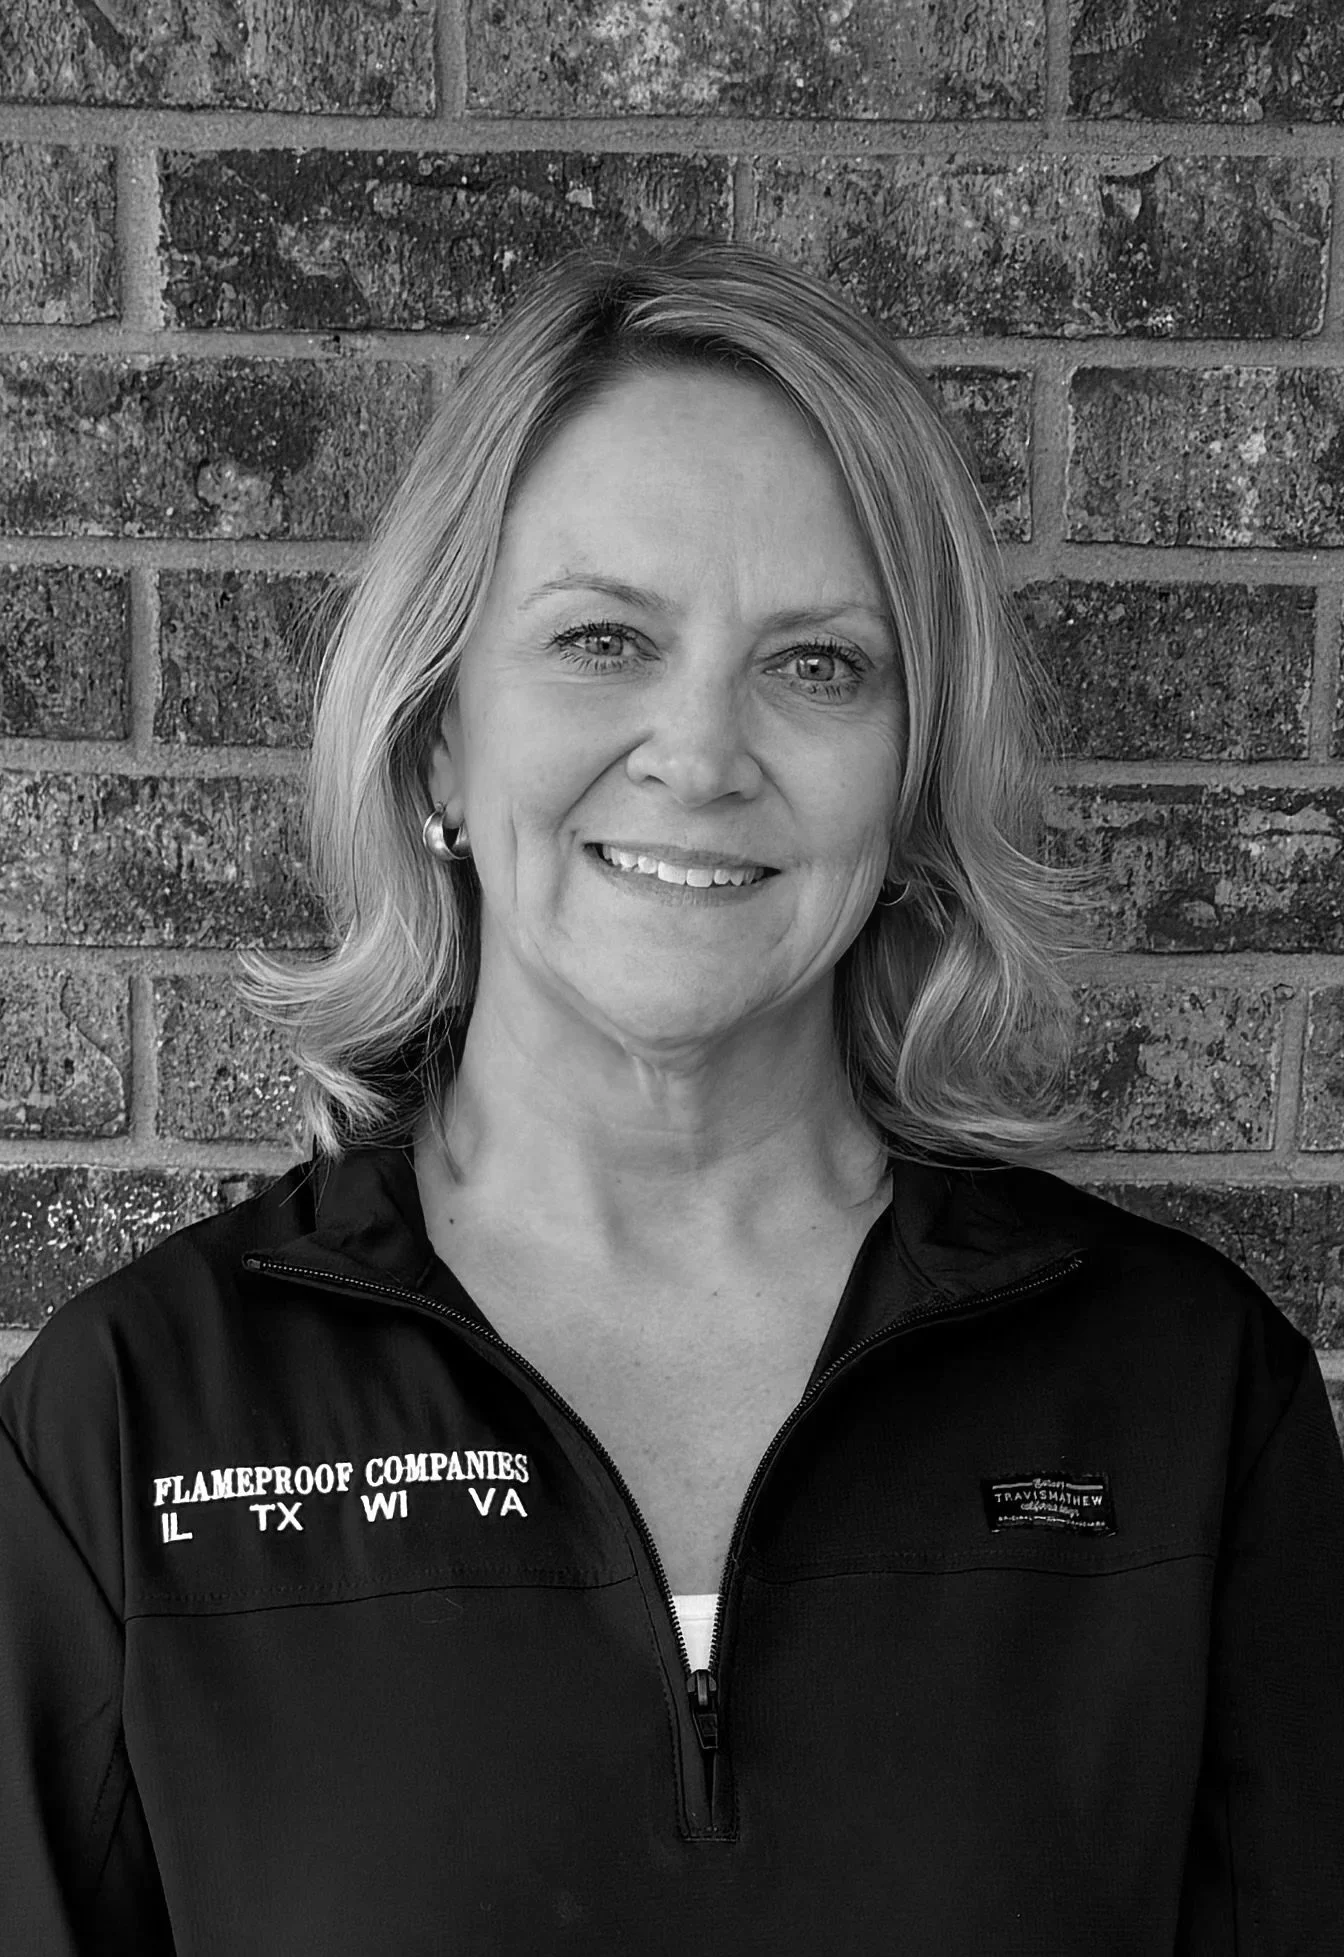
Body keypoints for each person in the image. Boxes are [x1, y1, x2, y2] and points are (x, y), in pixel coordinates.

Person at [2, 238, 1341, 1956]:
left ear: (910, 779)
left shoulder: (1183, 1400)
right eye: (603, 638)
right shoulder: (132, 1426)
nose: (701, 755)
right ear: (434, 746)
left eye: (818, 665)